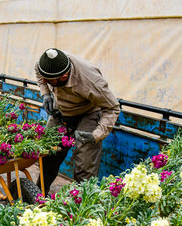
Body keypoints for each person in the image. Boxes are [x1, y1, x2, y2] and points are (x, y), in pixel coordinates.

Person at [35, 48, 120, 193]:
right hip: (61, 112)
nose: (44, 81)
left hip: (88, 114)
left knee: (84, 167)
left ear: (64, 76)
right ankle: (39, 193)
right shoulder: (45, 64)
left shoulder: (91, 81)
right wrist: (46, 94)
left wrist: (96, 135)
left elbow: (112, 108)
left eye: (48, 81)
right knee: (49, 156)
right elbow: (38, 72)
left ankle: (80, 205)